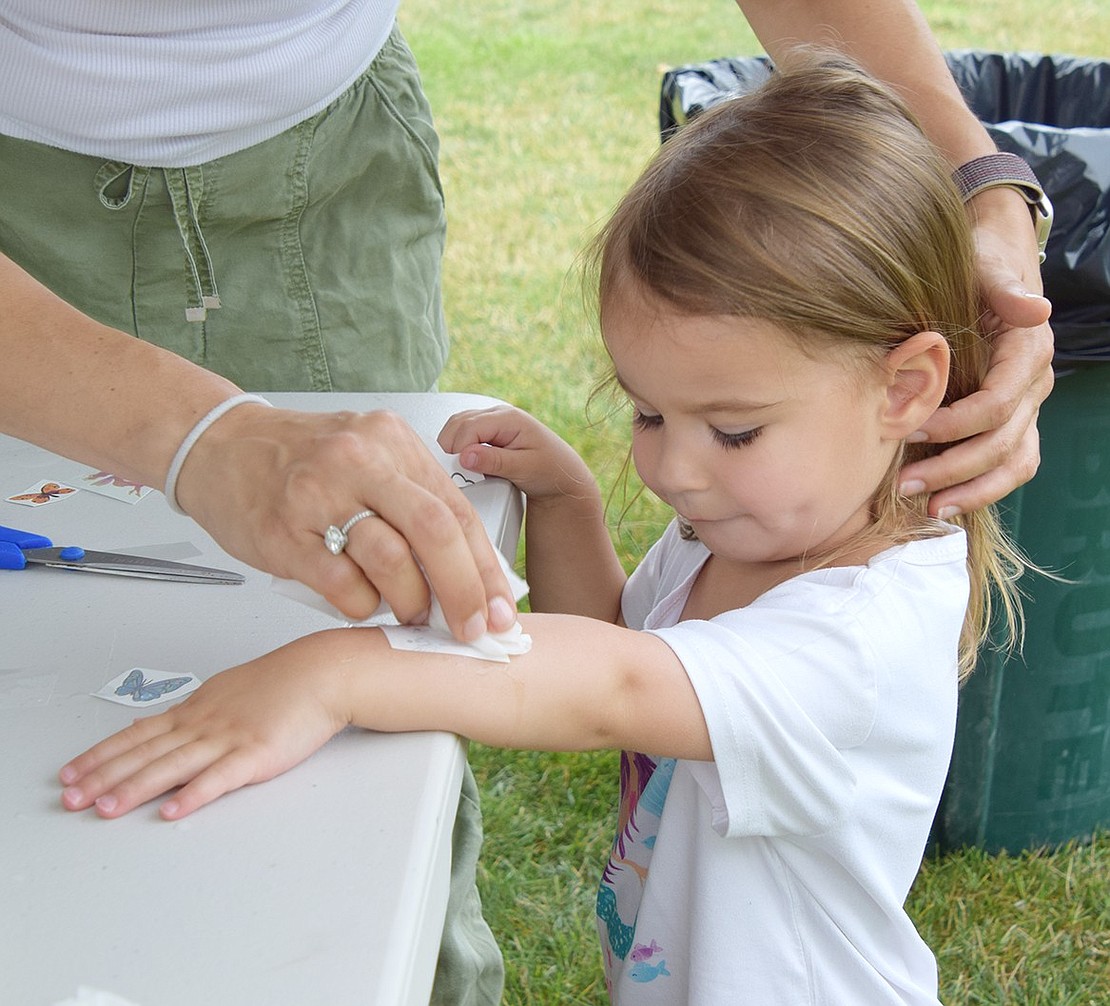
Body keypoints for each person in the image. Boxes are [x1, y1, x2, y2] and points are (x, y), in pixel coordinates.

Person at [57, 54, 1029, 1004]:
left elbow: (615, 688)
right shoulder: (750, 526)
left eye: (732, 429)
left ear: (905, 387)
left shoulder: (861, 630)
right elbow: (616, 639)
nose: (673, 468)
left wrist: (335, 673)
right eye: (649, 415)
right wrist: (566, 504)